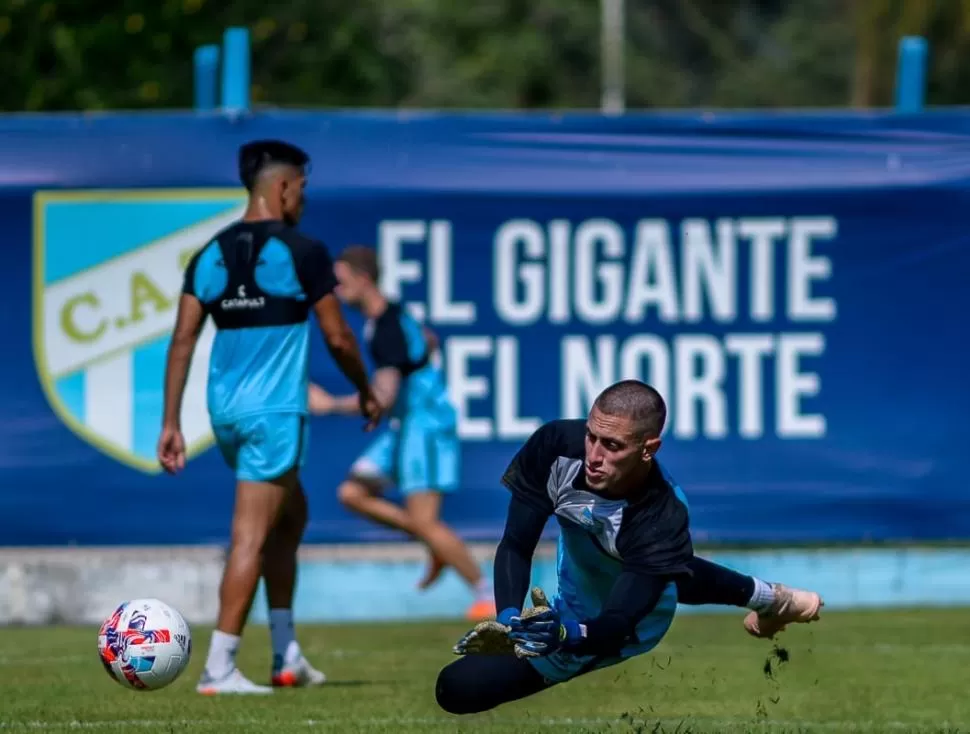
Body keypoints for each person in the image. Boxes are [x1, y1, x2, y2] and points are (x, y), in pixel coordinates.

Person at [437, 379, 822, 715]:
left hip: (619, 622)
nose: (594, 456)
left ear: (648, 448)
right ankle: (775, 600)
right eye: (591, 436)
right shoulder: (555, 446)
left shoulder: (662, 515)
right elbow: (516, 544)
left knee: (457, 689)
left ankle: (774, 599)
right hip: (589, 571)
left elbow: (618, 623)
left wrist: (563, 635)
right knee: (654, 561)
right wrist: (508, 623)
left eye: (612, 445)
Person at [157, 140, 383, 695]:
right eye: (301, 189)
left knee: (291, 517)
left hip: (227, 413)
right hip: (273, 412)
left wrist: (171, 422)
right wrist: (365, 390)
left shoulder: (208, 254)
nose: (303, 200)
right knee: (251, 537)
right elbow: (337, 335)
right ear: (282, 188)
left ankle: (286, 655)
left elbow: (183, 340)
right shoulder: (301, 250)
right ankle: (219, 669)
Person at [308, 245, 495, 621]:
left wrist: (330, 405)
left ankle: (487, 594)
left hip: (423, 426)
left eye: (341, 283)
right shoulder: (389, 315)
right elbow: (428, 340)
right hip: (408, 425)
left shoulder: (386, 329)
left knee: (427, 520)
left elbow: (383, 397)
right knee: (353, 493)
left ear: (363, 280)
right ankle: (437, 543)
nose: (336, 291)